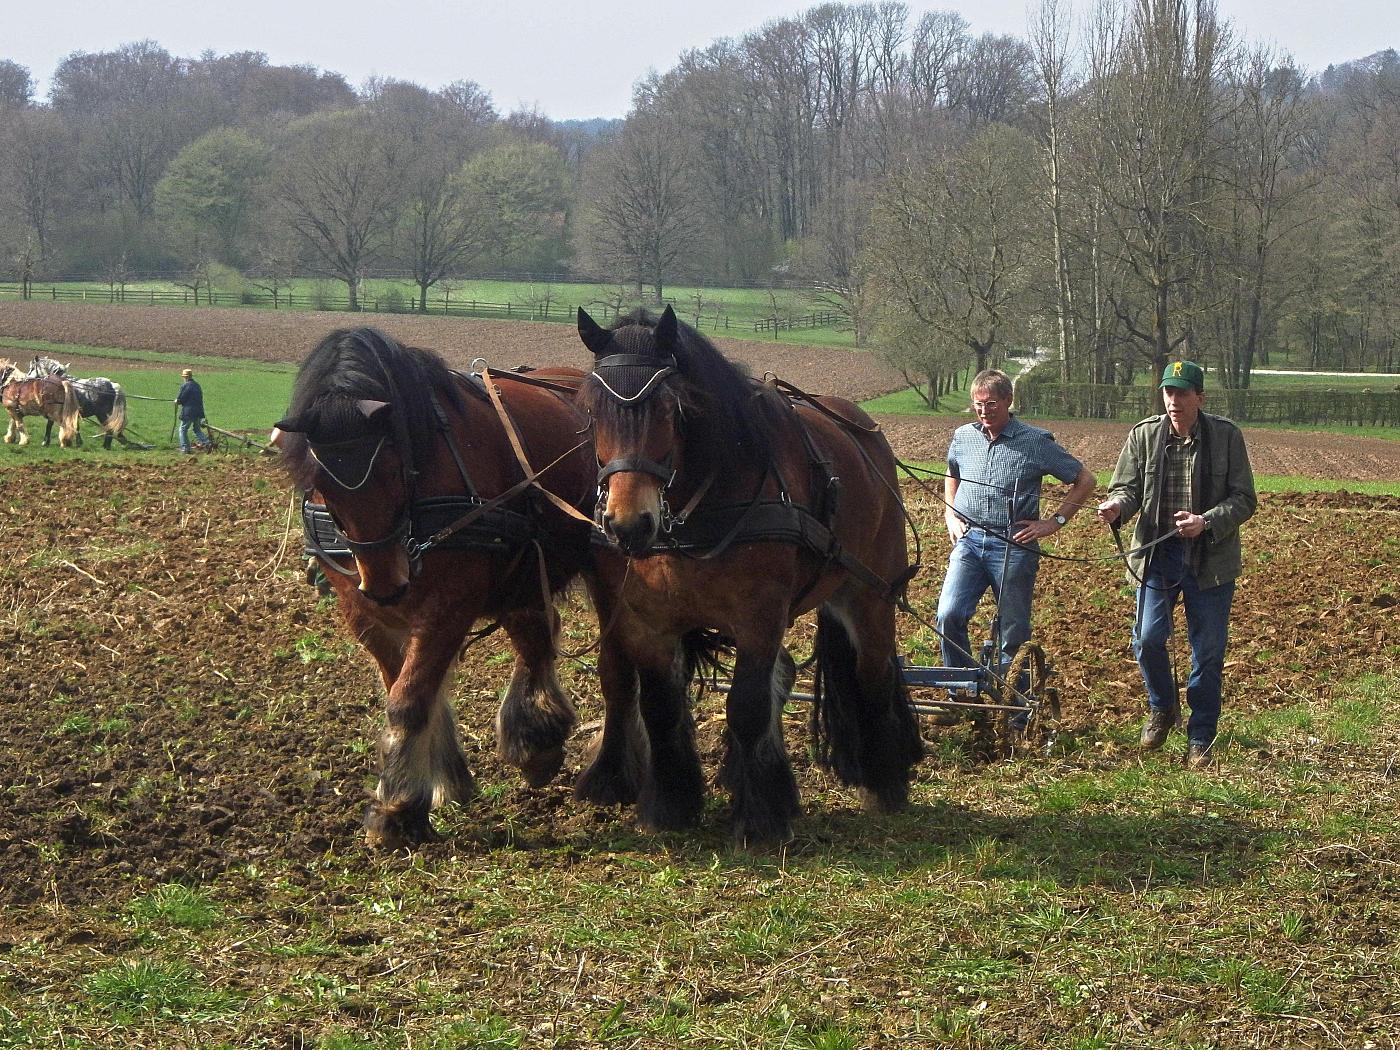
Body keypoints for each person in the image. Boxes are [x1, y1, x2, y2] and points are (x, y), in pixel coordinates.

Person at [1095, 360, 1256, 767]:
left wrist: (1206, 522)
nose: (1174, 401)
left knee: (1208, 652)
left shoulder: (1226, 437)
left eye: (1182, 393)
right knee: (1148, 639)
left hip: (1210, 559)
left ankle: (1200, 736)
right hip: (1158, 557)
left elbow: (1244, 499)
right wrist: (1116, 507)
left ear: (1200, 398)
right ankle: (1162, 706)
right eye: (1168, 392)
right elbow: (1127, 488)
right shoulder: (1144, 435)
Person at [937, 369, 1097, 682]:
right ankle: (962, 689)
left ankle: (1017, 707)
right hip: (969, 541)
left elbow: (1085, 480)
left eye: (992, 403)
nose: (984, 411)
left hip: (1013, 545)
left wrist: (1054, 522)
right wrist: (950, 514)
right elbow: (951, 473)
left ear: (1009, 401)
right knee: (948, 615)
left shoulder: (1035, 441)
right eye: (978, 404)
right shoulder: (963, 437)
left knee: (1013, 631)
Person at [176, 367, 211, 454]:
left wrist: (177, 401)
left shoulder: (185, 386)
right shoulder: (197, 385)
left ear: (186, 377)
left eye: (184, 377)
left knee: (182, 430)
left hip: (188, 412)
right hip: (198, 411)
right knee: (197, 429)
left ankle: (185, 448)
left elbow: (181, 399)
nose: (183, 379)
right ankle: (207, 443)